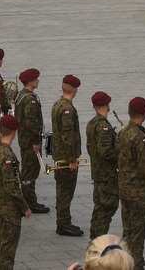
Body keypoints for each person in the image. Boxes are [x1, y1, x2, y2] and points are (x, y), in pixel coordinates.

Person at [116, 97, 145, 269]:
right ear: (144, 114)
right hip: (139, 194)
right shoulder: (140, 137)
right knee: (137, 237)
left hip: (125, 190)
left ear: (129, 112)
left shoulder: (123, 132)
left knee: (127, 233)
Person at [0, 114, 31, 270]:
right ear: (14, 132)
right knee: (8, 250)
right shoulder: (7, 155)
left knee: (0, 244)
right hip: (8, 209)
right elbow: (12, 186)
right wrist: (25, 207)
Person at [13, 68, 49, 214]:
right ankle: (29, 202)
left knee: (28, 170)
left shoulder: (21, 95)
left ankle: (28, 199)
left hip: (24, 140)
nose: (38, 80)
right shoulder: (30, 100)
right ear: (30, 81)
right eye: (36, 79)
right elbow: (31, 123)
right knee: (30, 172)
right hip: (30, 141)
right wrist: (36, 141)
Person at [52, 74, 84, 237]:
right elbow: (68, 136)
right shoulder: (67, 109)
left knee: (62, 190)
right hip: (66, 157)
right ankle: (63, 223)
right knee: (66, 191)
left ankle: (63, 221)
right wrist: (72, 160)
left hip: (60, 154)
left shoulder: (57, 104)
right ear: (74, 90)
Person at [86, 91, 119, 239]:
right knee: (106, 209)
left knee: (99, 208)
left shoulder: (92, 123)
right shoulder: (103, 126)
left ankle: (95, 238)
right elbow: (106, 152)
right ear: (107, 105)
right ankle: (98, 240)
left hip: (98, 172)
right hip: (107, 175)